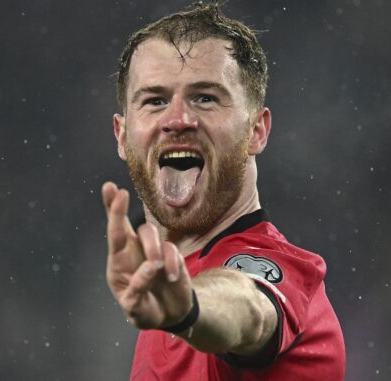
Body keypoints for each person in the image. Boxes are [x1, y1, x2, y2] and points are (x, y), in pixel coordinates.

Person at [101, 3, 345, 380]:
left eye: (206, 98)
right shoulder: (161, 282)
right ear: (121, 135)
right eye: (155, 100)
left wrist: (190, 309)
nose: (178, 119)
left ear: (257, 131)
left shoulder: (286, 271)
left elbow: (247, 306)